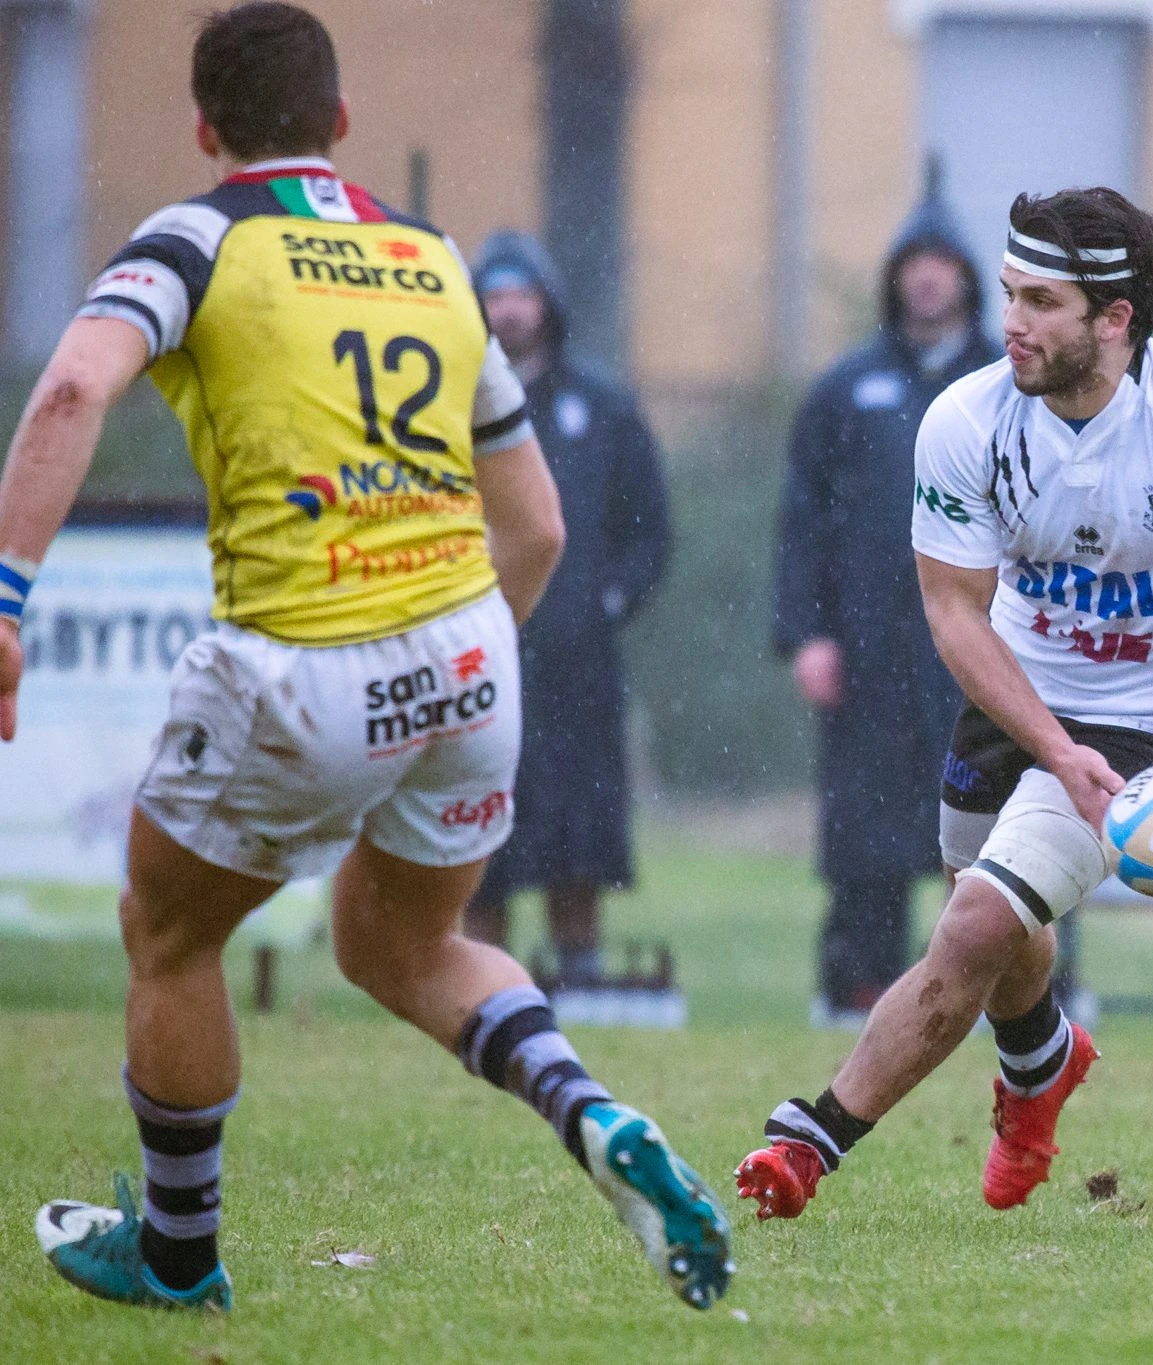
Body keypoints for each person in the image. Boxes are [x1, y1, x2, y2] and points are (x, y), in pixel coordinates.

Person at [4, 4, 729, 1312]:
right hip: (468, 648)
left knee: (166, 930)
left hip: (303, 654)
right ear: (340, 122)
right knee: (401, 943)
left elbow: (67, 390)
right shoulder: (431, 255)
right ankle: (593, 1113)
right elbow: (540, 527)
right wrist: (449, 672)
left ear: (206, 130)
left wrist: (6, 597)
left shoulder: (196, 237)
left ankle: (177, 1254)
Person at [735, 187, 1153, 1220]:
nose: (1010, 321)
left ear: (1114, 318)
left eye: (1042, 302)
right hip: (1012, 699)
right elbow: (953, 608)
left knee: (975, 921)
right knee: (1001, 928)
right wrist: (1052, 746)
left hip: (1148, 722)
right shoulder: (965, 420)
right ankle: (1040, 1059)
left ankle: (810, 1141)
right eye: (1010, 293)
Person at [773, 169, 998, 1024]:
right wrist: (807, 635)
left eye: (942, 262)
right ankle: (859, 983)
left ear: (966, 276)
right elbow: (801, 520)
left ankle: (1004, 986)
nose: (927, 278)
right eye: (914, 263)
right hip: (867, 649)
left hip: (983, 645)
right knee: (867, 829)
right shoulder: (846, 389)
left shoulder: (1006, 379)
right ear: (896, 277)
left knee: (996, 817)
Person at [460, 231, 674, 985]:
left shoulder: (603, 407)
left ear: (547, 304)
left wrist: (606, 601)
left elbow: (649, 528)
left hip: (580, 667)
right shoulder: (448, 401)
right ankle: (481, 982)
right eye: (494, 295)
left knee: (579, 831)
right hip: (480, 655)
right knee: (479, 829)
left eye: (522, 294)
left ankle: (579, 974)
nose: (509, 310)